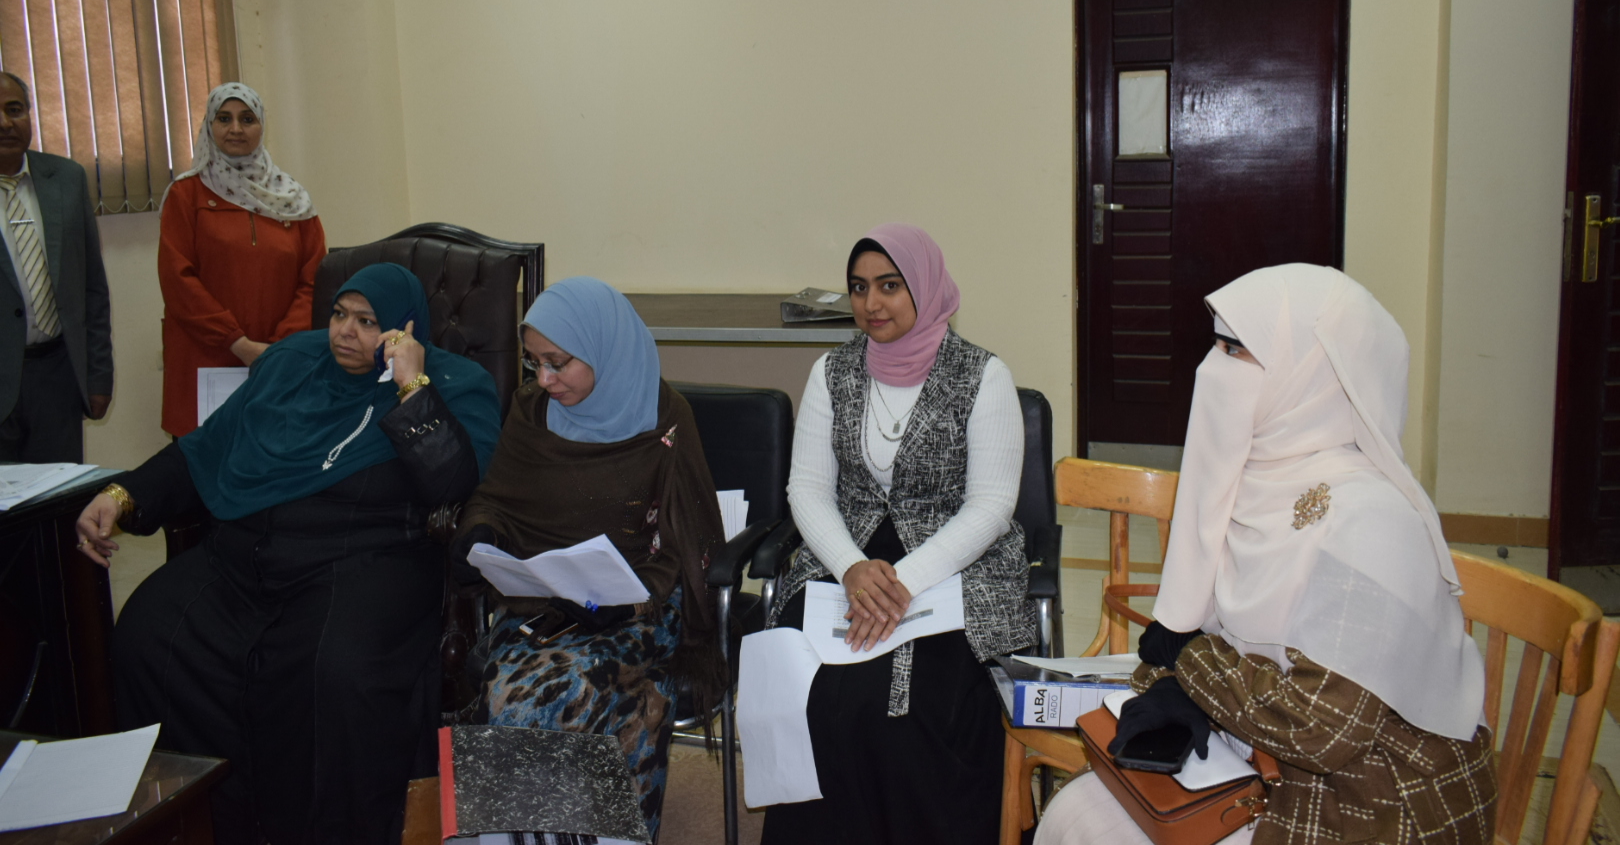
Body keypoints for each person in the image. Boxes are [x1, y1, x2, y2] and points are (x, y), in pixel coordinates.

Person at [1035, 264, 1495, 845]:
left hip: (1372, 800)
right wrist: (1179, 679)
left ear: (1310, 374)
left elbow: (1323, 729)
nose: (1212, 369)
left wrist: (1189, 661)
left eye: (1236, 350)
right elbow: (1195, 634)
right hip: (1260, 751)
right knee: (1076, 813)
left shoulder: (1372, 522)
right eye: (1216, 345)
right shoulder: (1257, 478)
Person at [75, 262, 502, 845]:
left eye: (367, 321)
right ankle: (202, 824)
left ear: (404, 328)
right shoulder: (291, 362)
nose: (344, 331)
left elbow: (454, 484)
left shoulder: (454, 382)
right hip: (243, 557)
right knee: (150, 633)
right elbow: (206, 447)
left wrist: (410, 386)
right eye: (339, 314)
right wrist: (124, 494)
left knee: (333, 669)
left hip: (360, 560)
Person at [761, 223, 1033, 845]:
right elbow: (807, 489)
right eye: (858, 288)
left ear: (926, 287)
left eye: (889, 285)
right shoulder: (832, 371)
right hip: (847, 554)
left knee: (917, 707)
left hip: (955, 561)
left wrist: (902, 582)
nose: (871, 304)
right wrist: (851, 568)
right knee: (817, 694)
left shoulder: (982, 375)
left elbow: (991, 506)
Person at [449, 277, 725, 842]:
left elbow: (688, 541)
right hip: (544, 605)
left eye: (558, 363)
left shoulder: (665, 421)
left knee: (569, 688)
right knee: (507, 694)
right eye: (534, 363)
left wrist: (626, 603)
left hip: (642, 605)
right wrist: (480, 527)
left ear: (604, 349)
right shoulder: (531, 411)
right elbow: (497, 497)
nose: (544, 380)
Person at [159, 82, 325, 436]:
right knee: (202, 460)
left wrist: (277, 349)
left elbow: (314, 280)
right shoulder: (186, 195)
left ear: (262, 125)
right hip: (204, 359)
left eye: (247, 119)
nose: (236, 128)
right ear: (209, 125)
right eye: (224, 118)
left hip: (278, 361)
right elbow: (177, 279)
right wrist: (236, 342)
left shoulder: (292, 200)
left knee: (272, 455)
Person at [0, 71, 112, 462]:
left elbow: (92, 287)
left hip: (58, 376)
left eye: (14, 109)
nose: (5, 123)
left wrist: (98, 376)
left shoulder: (67, 178)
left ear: (30, 114)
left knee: (62, 494)